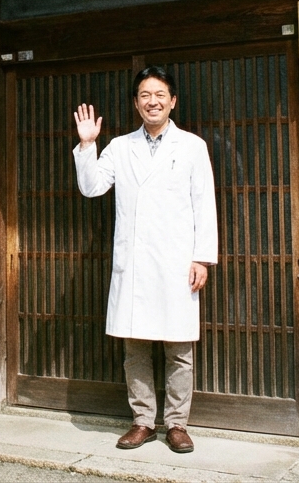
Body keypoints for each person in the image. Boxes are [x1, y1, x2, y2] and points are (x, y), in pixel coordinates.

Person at [72, 65, 218, 454]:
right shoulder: (121, 147)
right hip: (135, 261)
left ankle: (177, 424)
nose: (152, 102)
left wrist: (202, 258)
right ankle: (142, 421)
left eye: (159, 95)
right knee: (135, 346)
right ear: (136, 104)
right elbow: (91, 187)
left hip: (176, 260)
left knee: (179, 347)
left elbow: (204, 204)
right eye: (144, 96)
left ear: (173, 101)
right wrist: (87, 145)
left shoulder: (192, 146)